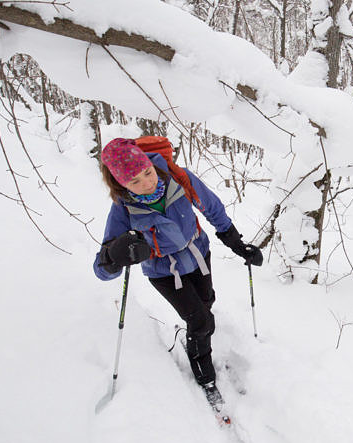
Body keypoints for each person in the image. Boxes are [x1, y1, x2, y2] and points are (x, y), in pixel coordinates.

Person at [92, 137, 262, 396]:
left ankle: (195, 338)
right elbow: (101, 269)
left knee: (207, 304)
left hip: (198, 254)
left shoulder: (177, 178)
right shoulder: (123, 207)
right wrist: (114, 256)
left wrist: (237, 244)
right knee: (201, 321)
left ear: (150, 164)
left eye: (147, 173)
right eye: (134, 181)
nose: (147, 184)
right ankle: (204, 372)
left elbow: (212, 207)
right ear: (120, 183)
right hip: (163, 271)